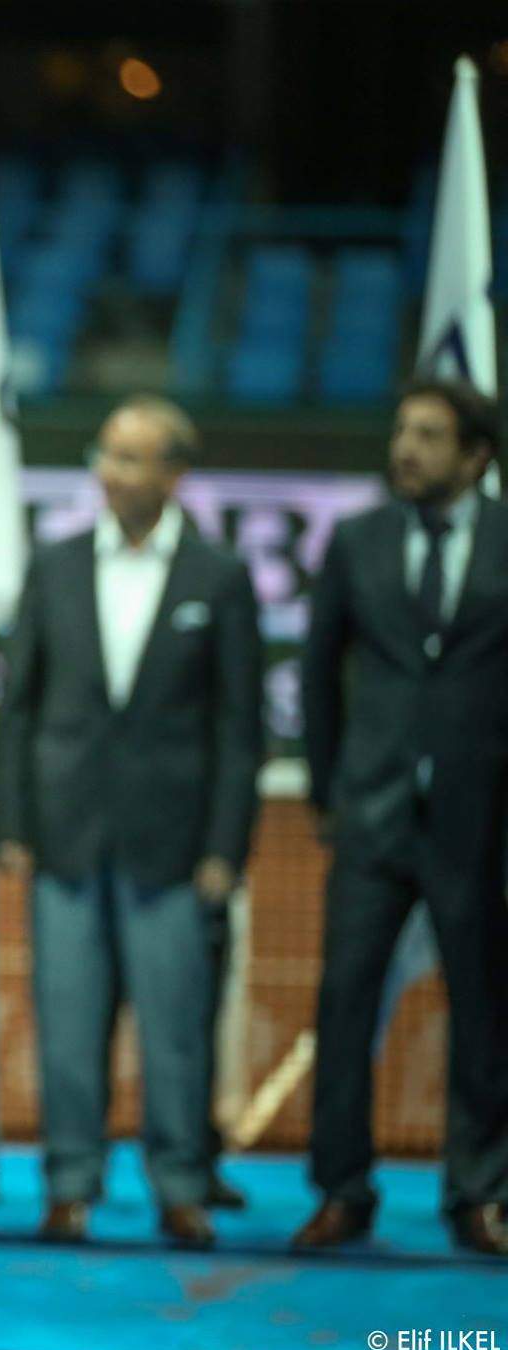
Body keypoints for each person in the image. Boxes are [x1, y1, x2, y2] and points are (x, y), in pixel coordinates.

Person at [0, 396, 263, 1250]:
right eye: (106, 454)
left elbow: (240, 727)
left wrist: (225, 847)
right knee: (67, 1027)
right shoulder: (56, 564)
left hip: (175, 846)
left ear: (176, 472)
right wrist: (12, 822)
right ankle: (69, 1187)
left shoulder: (220, 576)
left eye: (131, 457)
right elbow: (19, 707)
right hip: (66, 836)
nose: (110, 472)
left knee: (176, 1031)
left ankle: (181, 1186)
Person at [294, 378, 508, 1256]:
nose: (406, 449)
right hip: (371, 818)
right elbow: (317, 673)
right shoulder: (358, 539)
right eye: (402, 431)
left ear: (477, 456)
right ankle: (342, 1189)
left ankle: (479, 1193)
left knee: (484, 1012)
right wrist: (325, 792)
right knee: (345, 1002)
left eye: (429, 435)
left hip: (480, 822)